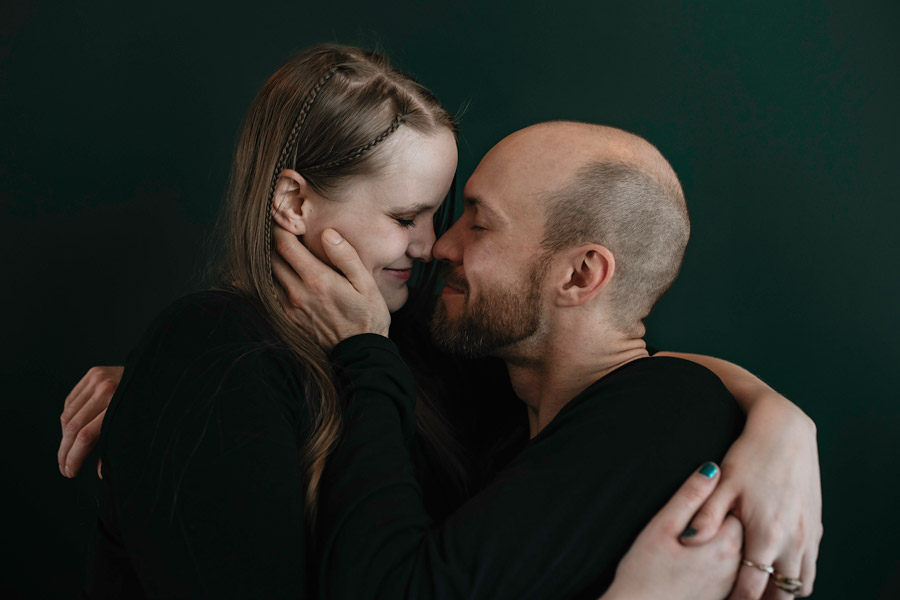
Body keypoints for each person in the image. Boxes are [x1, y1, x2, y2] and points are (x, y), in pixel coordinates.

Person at [58, 45, 821, 599]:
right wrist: (175, 373)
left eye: (467, 222)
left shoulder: (425, 359)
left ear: (580, 274)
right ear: (293, 204)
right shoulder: (243, 353)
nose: (434, 248)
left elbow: (631, 371)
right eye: (409, 217)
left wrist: (780, 421)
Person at [269, 121, 818, 599]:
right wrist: (781, 416)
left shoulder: (665, 409)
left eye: (479, 225)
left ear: (580, 275)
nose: (440, 247)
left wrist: (364, 352)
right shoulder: (520, 406)